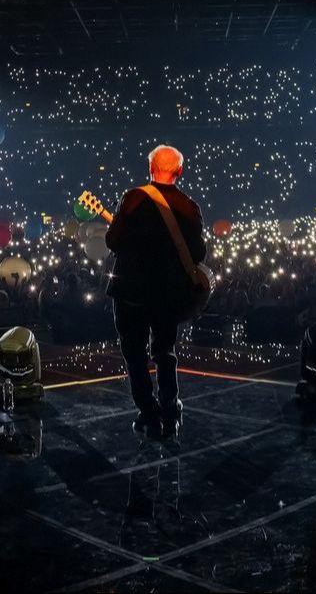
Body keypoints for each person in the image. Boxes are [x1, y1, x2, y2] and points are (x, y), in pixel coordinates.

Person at [106, 144, 206, 439]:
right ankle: (170, 412)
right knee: (165, 352)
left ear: (151, 170)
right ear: (179, 171)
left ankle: (149, 414)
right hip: (167, 294)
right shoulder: (188, 206)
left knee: (134, 354)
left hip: (130, 293)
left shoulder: (133, 199)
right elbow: (198, 252)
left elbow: (113, 240)